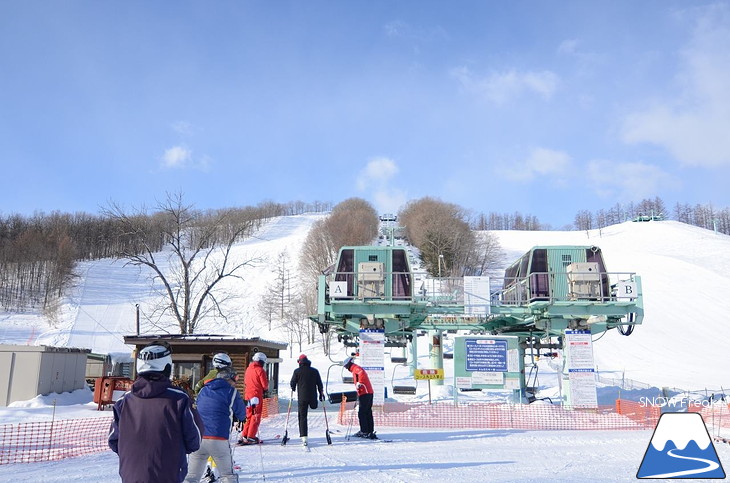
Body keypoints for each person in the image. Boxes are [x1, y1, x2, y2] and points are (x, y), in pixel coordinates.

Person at [109, 341, 204, 483]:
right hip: (168, 473)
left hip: (131, 475)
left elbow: (113, 439)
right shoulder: (179, 399)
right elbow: (194, 439)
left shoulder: (124, 401)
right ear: (166, 367)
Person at [185, 367, 246, 483]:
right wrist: (244, 416)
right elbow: (242, 413)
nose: (235, 382)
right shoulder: (231, 392)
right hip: (218, 438)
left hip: (199, 438)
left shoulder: (203, 390)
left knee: (191, 476)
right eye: (235, 379)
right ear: (228, 379)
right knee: (227, 475)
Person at [289, 354, 325, 446]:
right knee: (313, 407)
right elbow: (319, 384)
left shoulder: (297, 371)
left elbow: (292, 383)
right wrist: (321, 394)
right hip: (313, 397)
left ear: (300, 362)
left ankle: (304, 436)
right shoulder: (315, 371)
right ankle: (313, 405)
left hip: (302, 398)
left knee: (302, 416)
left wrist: (293, 387)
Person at [343, 356, 377, 439]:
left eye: (346, 366)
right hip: (368, 392)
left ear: (348, 365)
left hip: (364, 392)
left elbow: (361, 372)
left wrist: (359, 383)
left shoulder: (356, 368)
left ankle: (364, 431)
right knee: (367, 412)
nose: (346, 368)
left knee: (362, 412)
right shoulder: (354, 369)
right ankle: (369, 430)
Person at [239, 352, 269, 444]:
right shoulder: (260, 370)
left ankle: (245, 434)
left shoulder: (248, 369)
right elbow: (265, 385)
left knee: (248, 415)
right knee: (256, 415)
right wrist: (265, 388)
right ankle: (251, 436)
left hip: (248, 395)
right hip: (256, 395)